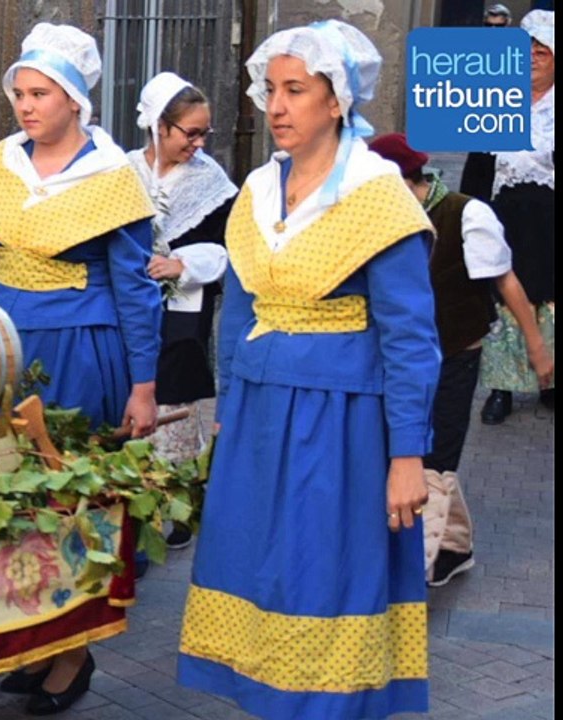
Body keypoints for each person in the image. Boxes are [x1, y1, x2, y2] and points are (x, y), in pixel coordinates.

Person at [177, 21, 440, 719]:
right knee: (259, 567)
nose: (278, 106)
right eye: (271, 89)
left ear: (337, 100)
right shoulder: (258, 193)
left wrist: (407, 455)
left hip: (342, 422)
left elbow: (410, 340)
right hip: (260, 414)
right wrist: (228, 410)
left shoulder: (377, 198)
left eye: (296, 90)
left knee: (322, 575)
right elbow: (237, 310)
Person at [0, 23, 163, 716]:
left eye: (40, 93)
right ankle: (32, 641)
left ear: (75, 101)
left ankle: (72, 654)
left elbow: (137, 288)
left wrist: (143, 384)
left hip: (82, 350)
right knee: (3, 498)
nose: (25, 106)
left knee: (64, 503)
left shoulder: (112, 179)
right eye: (19, 92)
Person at [369, 133, 554, 587]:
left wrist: (537, 346)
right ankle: (453, 547)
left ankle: (412, 570)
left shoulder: (465, 213)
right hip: (398, 360)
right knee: (417, 456)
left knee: (434, 459)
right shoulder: (376, 221)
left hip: (456, 356)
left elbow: (506, 281)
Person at [128, 72, 236, 549]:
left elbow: (226, 250)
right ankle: (136, 495)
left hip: (183, 307)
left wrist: (181, 263)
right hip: (131, 304)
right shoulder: (124, 171)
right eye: (189, 132)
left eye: (203, 133)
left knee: (174, 398)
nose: (198, 142)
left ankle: (180, 500)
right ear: (159, 126)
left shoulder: (211, 184)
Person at [464, 9, 555, 424]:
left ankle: (549, 383)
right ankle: (500, 388)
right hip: (504, 211)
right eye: (528, 50)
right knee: (502, 295)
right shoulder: (496, 99)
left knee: (549, 299)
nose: (533, 57)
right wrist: (469, 210)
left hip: (549, 217)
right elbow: (477, 166)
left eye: (543, 50)